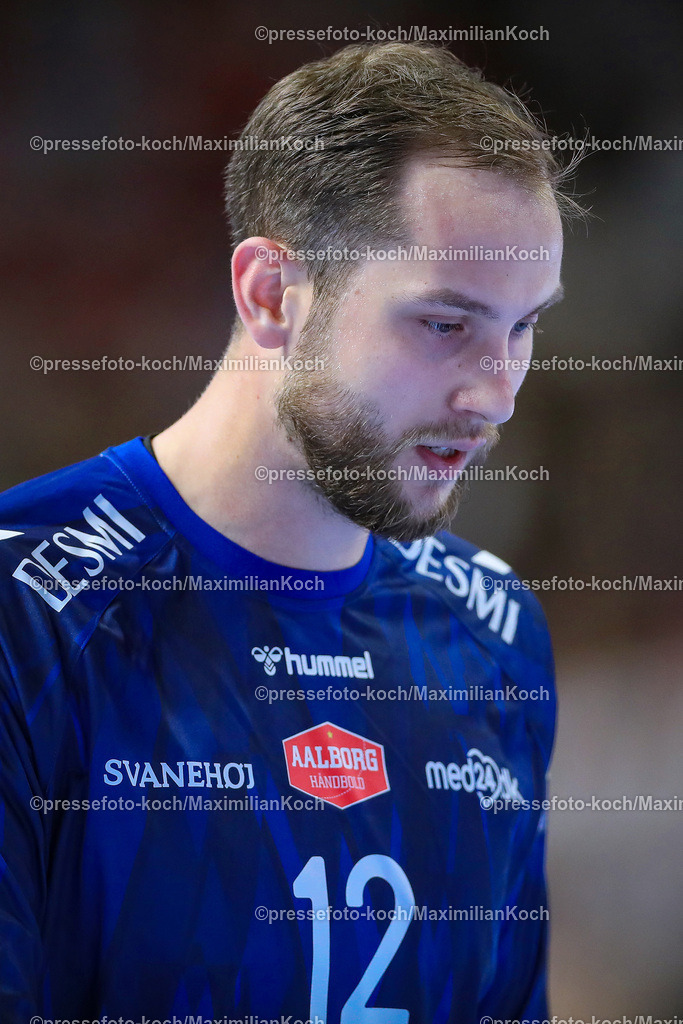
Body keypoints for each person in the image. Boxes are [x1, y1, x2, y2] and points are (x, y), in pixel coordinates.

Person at [0, 42, 578, 1022]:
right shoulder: (33, 620)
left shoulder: (492, 638)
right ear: (272, 295)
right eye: (445, 323)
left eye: (521, 328)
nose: (496, 396)